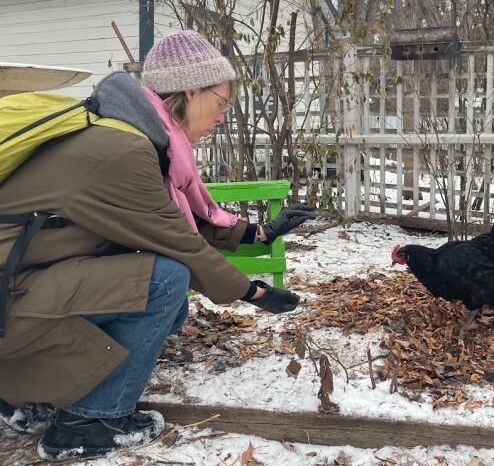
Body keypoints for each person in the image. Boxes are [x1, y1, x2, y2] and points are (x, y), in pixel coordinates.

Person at [0, 30, 315, 460]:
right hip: (11, 300)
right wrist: (253, 292)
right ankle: (89, 421)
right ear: (190, 91)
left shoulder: (127, 135)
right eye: (221, 103)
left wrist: (259, 234)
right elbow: (179, 243)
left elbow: (169, 222)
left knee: (169, 294)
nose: (223, 116)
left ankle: (23, 390)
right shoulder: (122, 151)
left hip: (20, 288)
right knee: (166, 281)